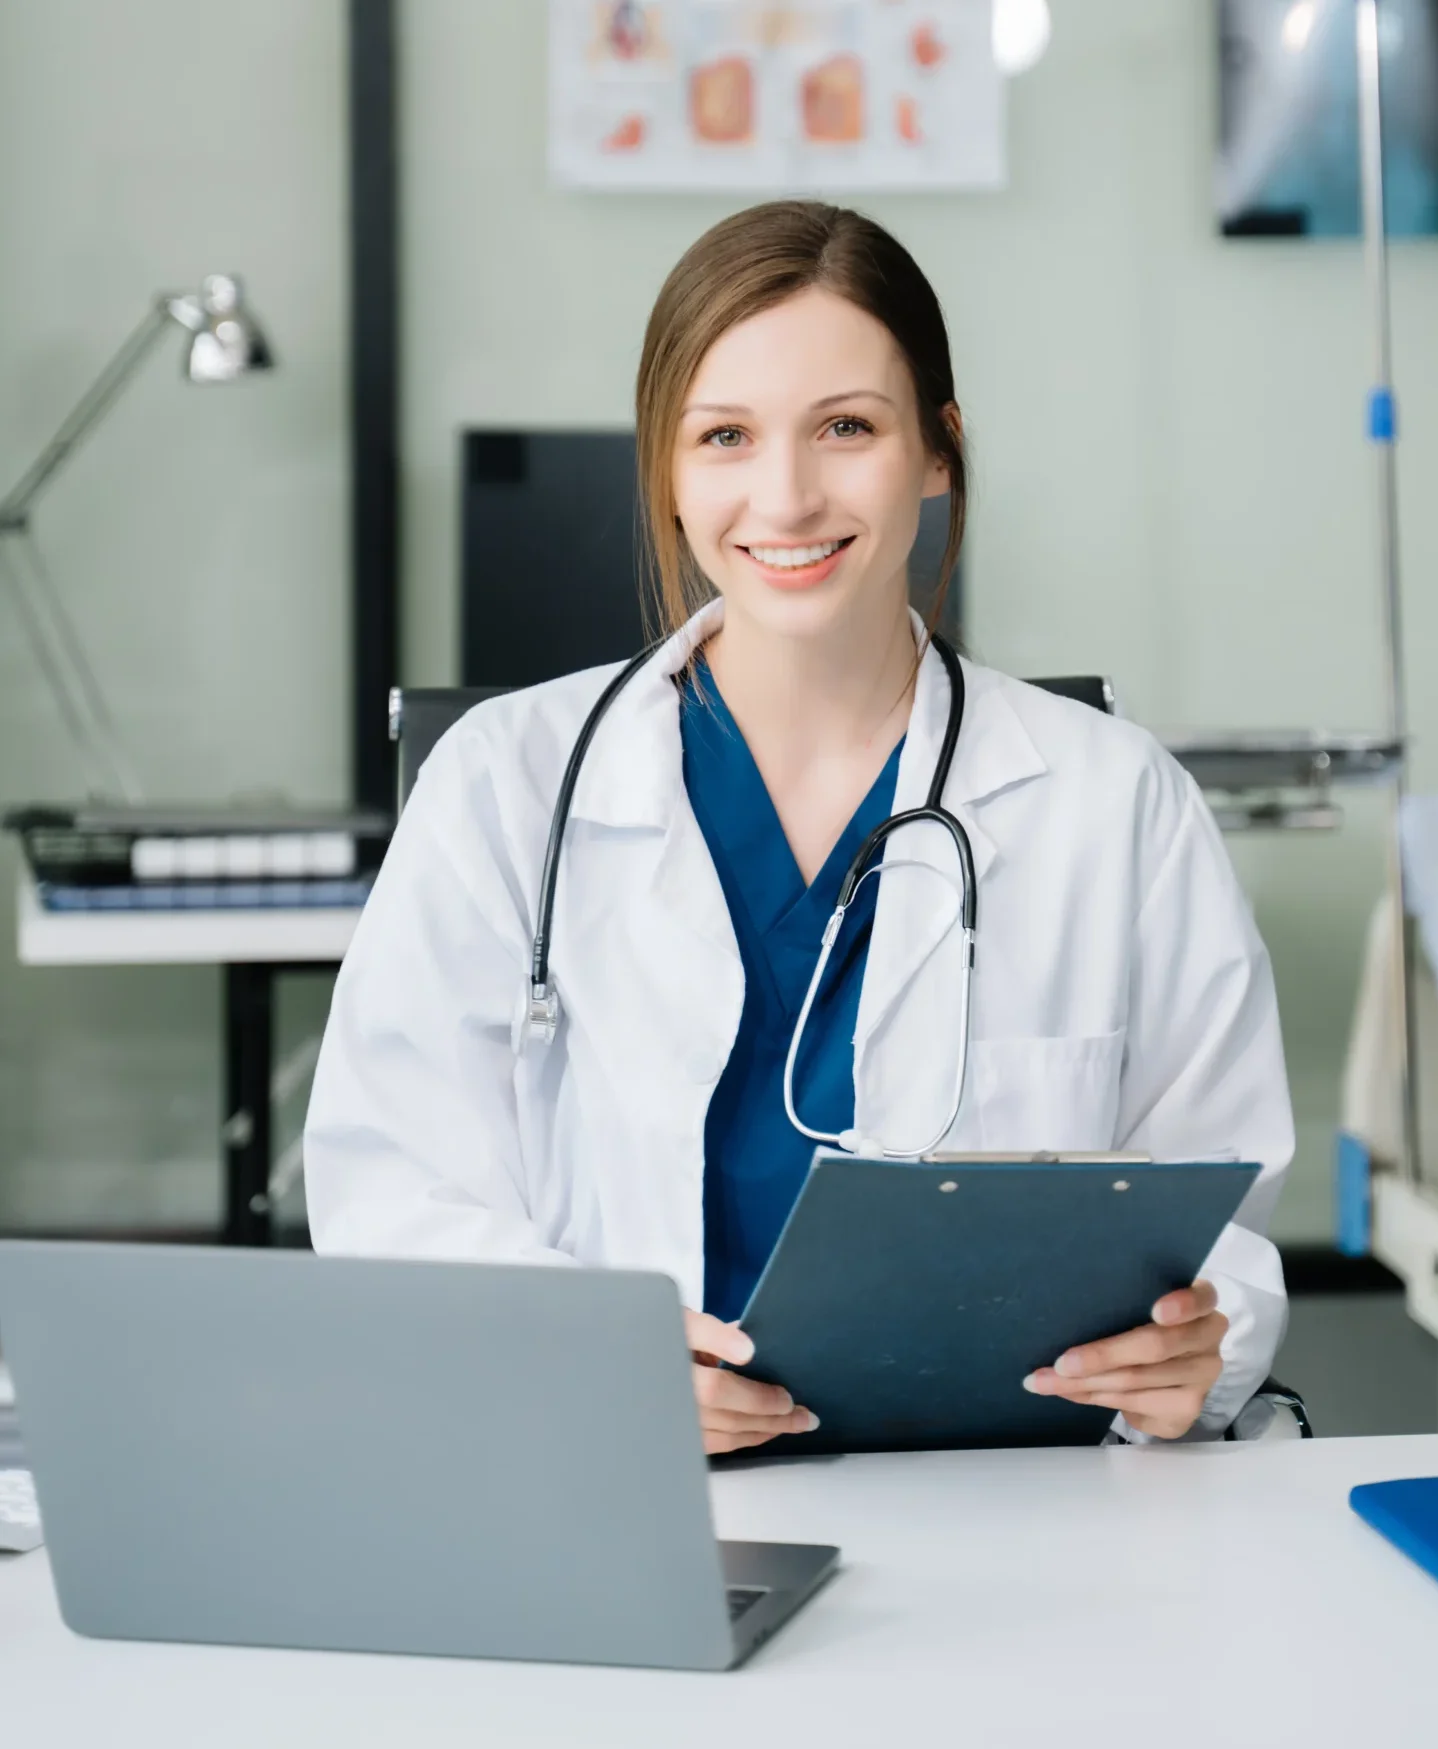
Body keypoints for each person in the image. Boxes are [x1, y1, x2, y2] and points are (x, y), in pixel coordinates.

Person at [304, 201, 1295, 1454]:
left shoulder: (1112, 799)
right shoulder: (505, 788)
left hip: (1023, 1510)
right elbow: (388, 1192)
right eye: (723, 436)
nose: (785, 495)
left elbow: (1224, 1213)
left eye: (845, 427)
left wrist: (1192, 1348)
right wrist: (588, 1360)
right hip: (626, 1488)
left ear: (936, 452)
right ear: (665, 471)